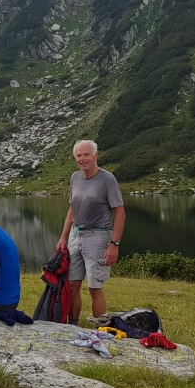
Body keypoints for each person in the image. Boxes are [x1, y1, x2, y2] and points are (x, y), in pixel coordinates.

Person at [56, 139, 126, 324]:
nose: (82, 159)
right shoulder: (75, 177)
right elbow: (72, 210)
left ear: (95, 155)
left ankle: (101, 329)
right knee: (72, 285)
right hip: (76, 235)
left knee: (94, 287)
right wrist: (63, 237)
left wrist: (114, 244)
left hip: (98, 236)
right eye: (79, 155)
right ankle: (73, 325)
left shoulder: (107, 179)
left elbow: (119, 213)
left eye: (86, 154)